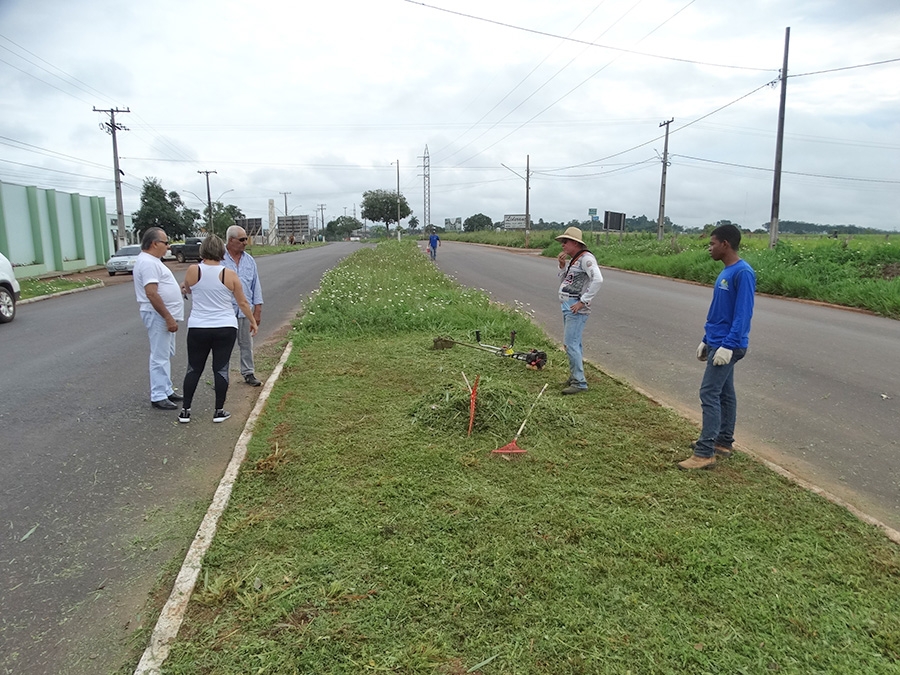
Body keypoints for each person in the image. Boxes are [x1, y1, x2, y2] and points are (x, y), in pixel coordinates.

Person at [679, 224, 756, 470]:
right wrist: (706, 338)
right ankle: (723, 442)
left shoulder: (743, 273)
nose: (709, 248)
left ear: (725, 244)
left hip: (728, 345)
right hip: (717, 340)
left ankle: (705, 452)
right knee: (725, 393)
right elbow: (718, 312)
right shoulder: (725, 272)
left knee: (708, 393)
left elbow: (743, 314)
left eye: (712, 243)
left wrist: (728, 346)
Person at [179, 236, 258, 424]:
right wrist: (252, 321)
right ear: (221, 252)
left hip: (198, 326)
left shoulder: (193, 270)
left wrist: (188, 289)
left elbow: (188, 289)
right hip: (225, 326)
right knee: (220, 368)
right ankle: (219, 410)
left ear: (202, 250)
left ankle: (185, 410)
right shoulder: (229, 274)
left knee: (193, 368)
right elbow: (243, 302)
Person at [133, 227, 184, 410]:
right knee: (159, 356)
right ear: (154, 243)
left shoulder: (152, 261)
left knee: (166, 353)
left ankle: (166, 389)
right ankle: (158, 394)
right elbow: (151, 293)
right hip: (157, 315)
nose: (168, 246)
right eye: (165, 242)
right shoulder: (148, 263)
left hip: (162, 315)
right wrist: (168, 317)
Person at [555, 227, 603, 395]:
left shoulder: (586, 259)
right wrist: (562, 267)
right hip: (569, 305)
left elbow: (598, 279)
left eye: (565, 242)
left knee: (571, 344)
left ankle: (579, 382)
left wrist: (583, 301)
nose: (563, 245)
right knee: (574, 343)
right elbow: (568, 282)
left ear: (575, 243)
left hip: (575, 307)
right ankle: (575, 375)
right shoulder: (575, 260)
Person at [222, 225, 264, 386]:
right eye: (242, 239)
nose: (245, 242)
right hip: (226, 311)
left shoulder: (249, 260)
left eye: (246, 239)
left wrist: (258, 309)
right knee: (224, 346)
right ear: (231, 240)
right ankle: (222, 375)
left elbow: (255, 286)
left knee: (246, 344)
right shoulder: (219, 259)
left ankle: (248, 372)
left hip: (245, 311)